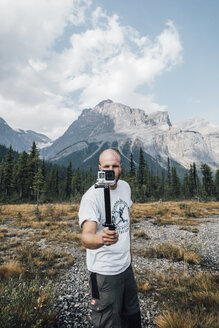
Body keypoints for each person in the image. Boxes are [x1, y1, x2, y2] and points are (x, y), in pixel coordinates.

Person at [79, 148, 141, 328]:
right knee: (108, 321)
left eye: (115, 166)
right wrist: (102, 239)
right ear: (99, 168)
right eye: (106, 166)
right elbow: (86, 238)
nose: (111, 170)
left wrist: (129, 256)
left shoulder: (125, 187)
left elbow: (126, 223)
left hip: (125, 268)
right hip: (104, 273)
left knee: (132, 316)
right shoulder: (91, 197)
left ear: (121, 167)